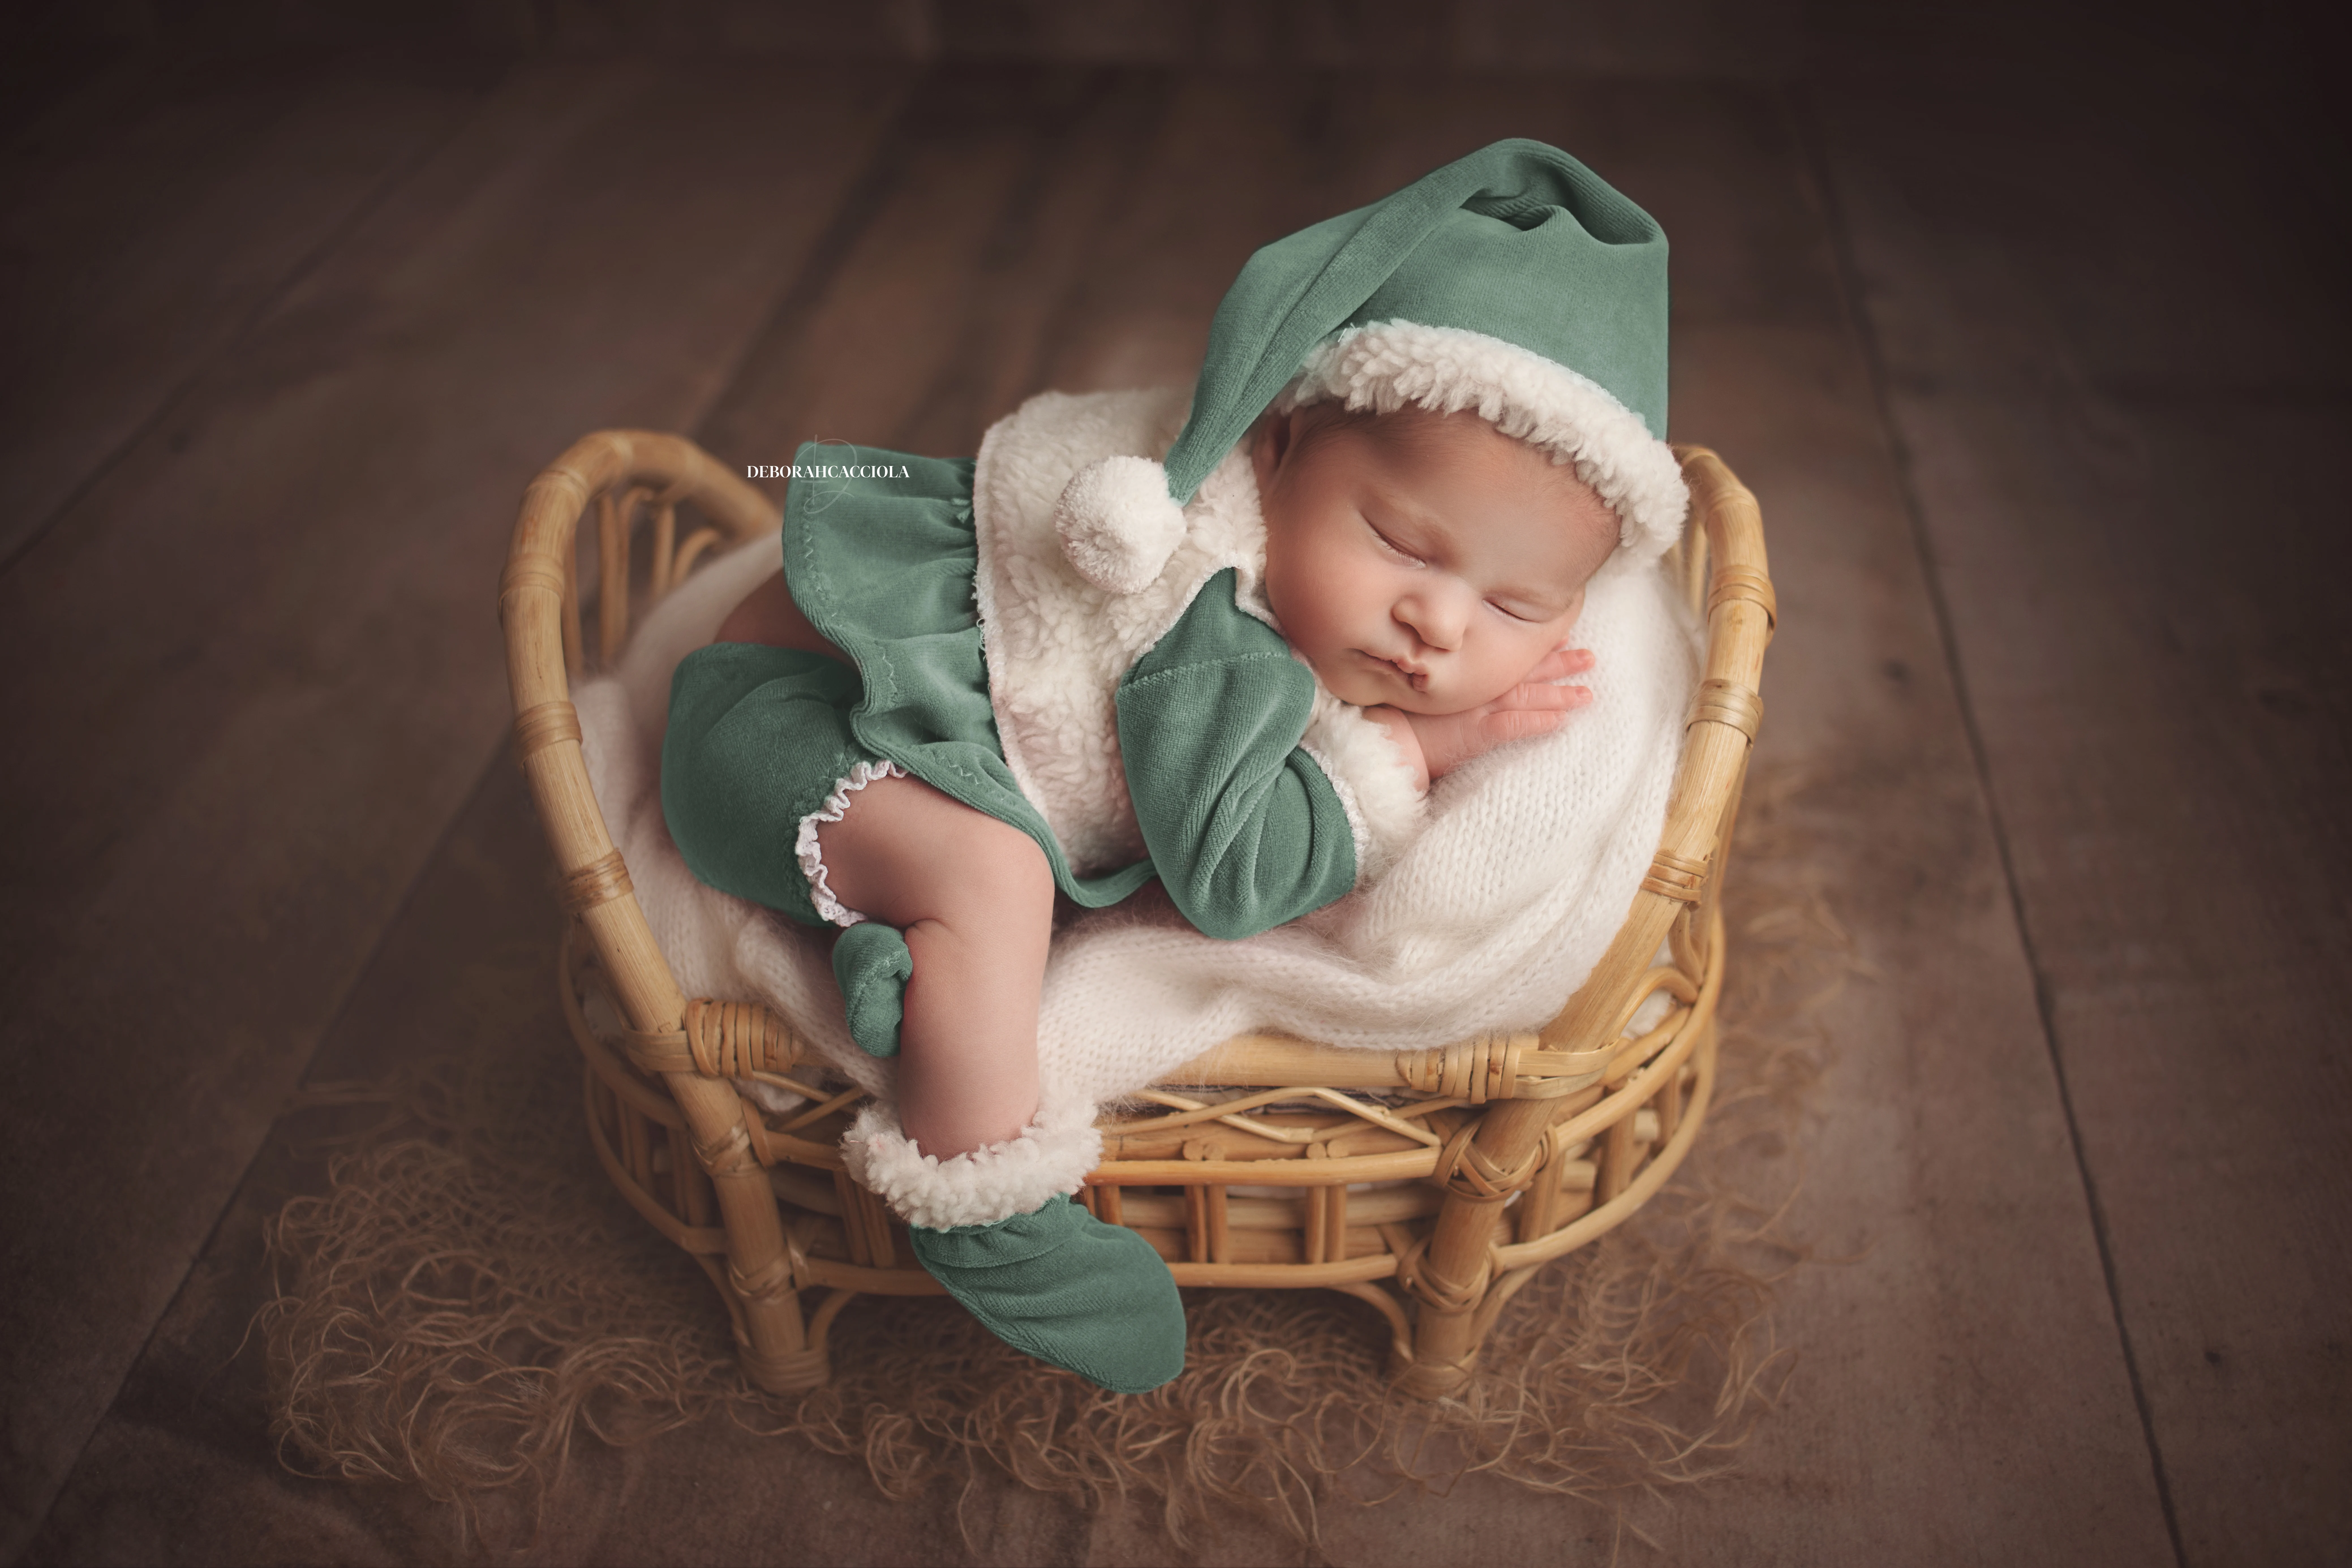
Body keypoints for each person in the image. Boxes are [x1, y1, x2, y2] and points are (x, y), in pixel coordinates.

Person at [660, 139, 1689, 1393]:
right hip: (785, 726)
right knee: (987, 875)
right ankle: (977, 1201)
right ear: (1282, 441)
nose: (1441, 625)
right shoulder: (1201, 615)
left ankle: (892, 954)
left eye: (1517, 604)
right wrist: (1407, 752)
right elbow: (1227, 875)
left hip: (872, 747)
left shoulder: (1318, 564)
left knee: (978, 879)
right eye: (1400, 542)